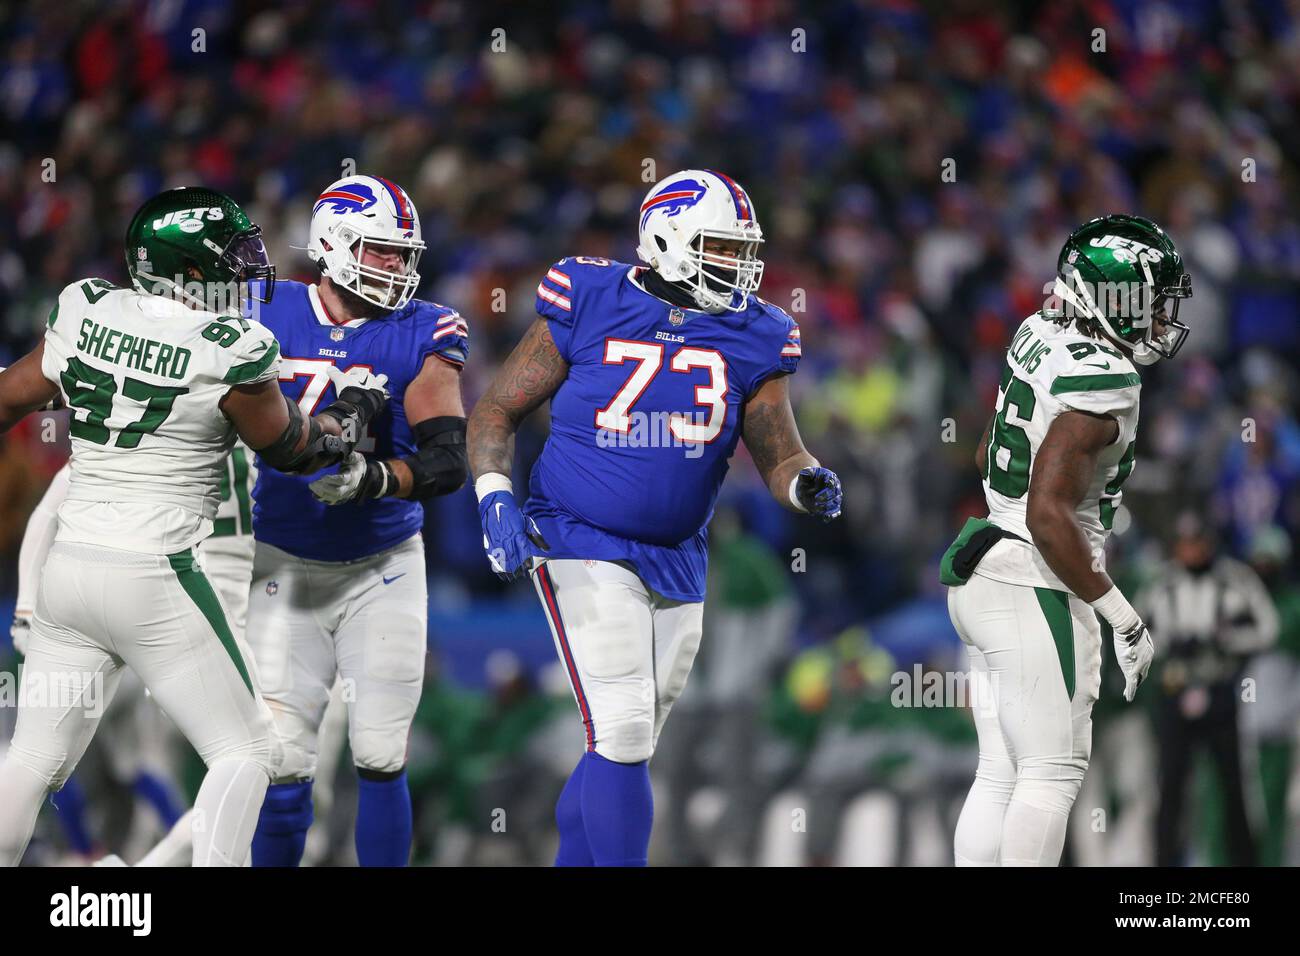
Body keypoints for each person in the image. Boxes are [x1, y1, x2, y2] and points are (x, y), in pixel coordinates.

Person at [0, 186, 388, 866]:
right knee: (249, 751)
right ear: (191, 268)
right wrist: (348, 421)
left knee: (32, 758)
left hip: (68, 573)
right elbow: (291, 447)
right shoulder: (228, 349)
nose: (245, 271)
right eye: (232, 257)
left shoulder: (86, 307)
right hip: (156, 575)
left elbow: (9, 396)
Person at [467, 169, 842, 866]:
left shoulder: (757, 333)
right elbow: (496, 409)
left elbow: (780, 456)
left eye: (742, 250)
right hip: (577, 535)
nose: (738, 265)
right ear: (665, 238)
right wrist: (494, 494)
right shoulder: (590, 294)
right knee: (625, 729)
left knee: (620, 744)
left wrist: (806, 485)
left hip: (678, 554)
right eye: (721, 247)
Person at [943, 214, 1192, 866]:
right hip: (1034, 579)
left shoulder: (1039, 329)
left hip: (981, 567)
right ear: (1110, 299)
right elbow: (1049, 515)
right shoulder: (1107, 378)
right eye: (1150, 303)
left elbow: (985, 453)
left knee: (1000, 771)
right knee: (1050, 773)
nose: (1160, 321)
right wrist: (1123, 617)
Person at [243, 175, 469, 867]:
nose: (398, 268)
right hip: (280, 562)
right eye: (382, 252)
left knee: (378, 750)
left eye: (405, 255)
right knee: (282, 762)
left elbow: (446, 460)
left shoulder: (426, 327)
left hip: (383, 564)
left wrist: (375, 478)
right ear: (333, 244)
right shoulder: (262, 305)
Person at [1139, 515, 1277, 865]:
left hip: (1219, 690)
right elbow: (1135, 632)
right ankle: (1165, 860)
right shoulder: (1161, 584)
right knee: (1170, 784)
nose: (1191, 551)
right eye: (1184, 543)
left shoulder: (1234, 578)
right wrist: (1168, 643)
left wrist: (1227, 639)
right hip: (1175, 688)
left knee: (1234, 784)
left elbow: (1267, 628)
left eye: (1197, 542)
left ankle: (1244, 860)